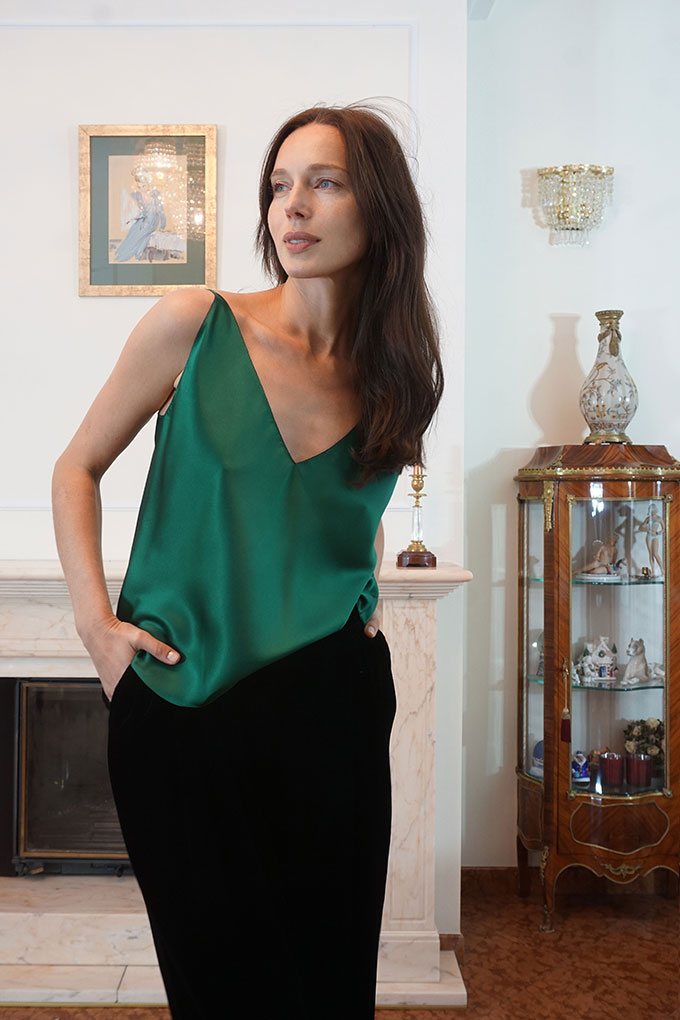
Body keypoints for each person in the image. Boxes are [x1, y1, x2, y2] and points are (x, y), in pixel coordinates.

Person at [52, 103, 443, 1020]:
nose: (291, 206)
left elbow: (346, 512)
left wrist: (364, 597)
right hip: (185, 713)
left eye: (324, 182)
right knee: (220, 995)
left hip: (332, 712)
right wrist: (97, 628)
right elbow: (76, 468)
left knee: (329, 993)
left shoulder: (398, 374)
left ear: (378, 206)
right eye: (279, 186)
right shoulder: (196, 322)